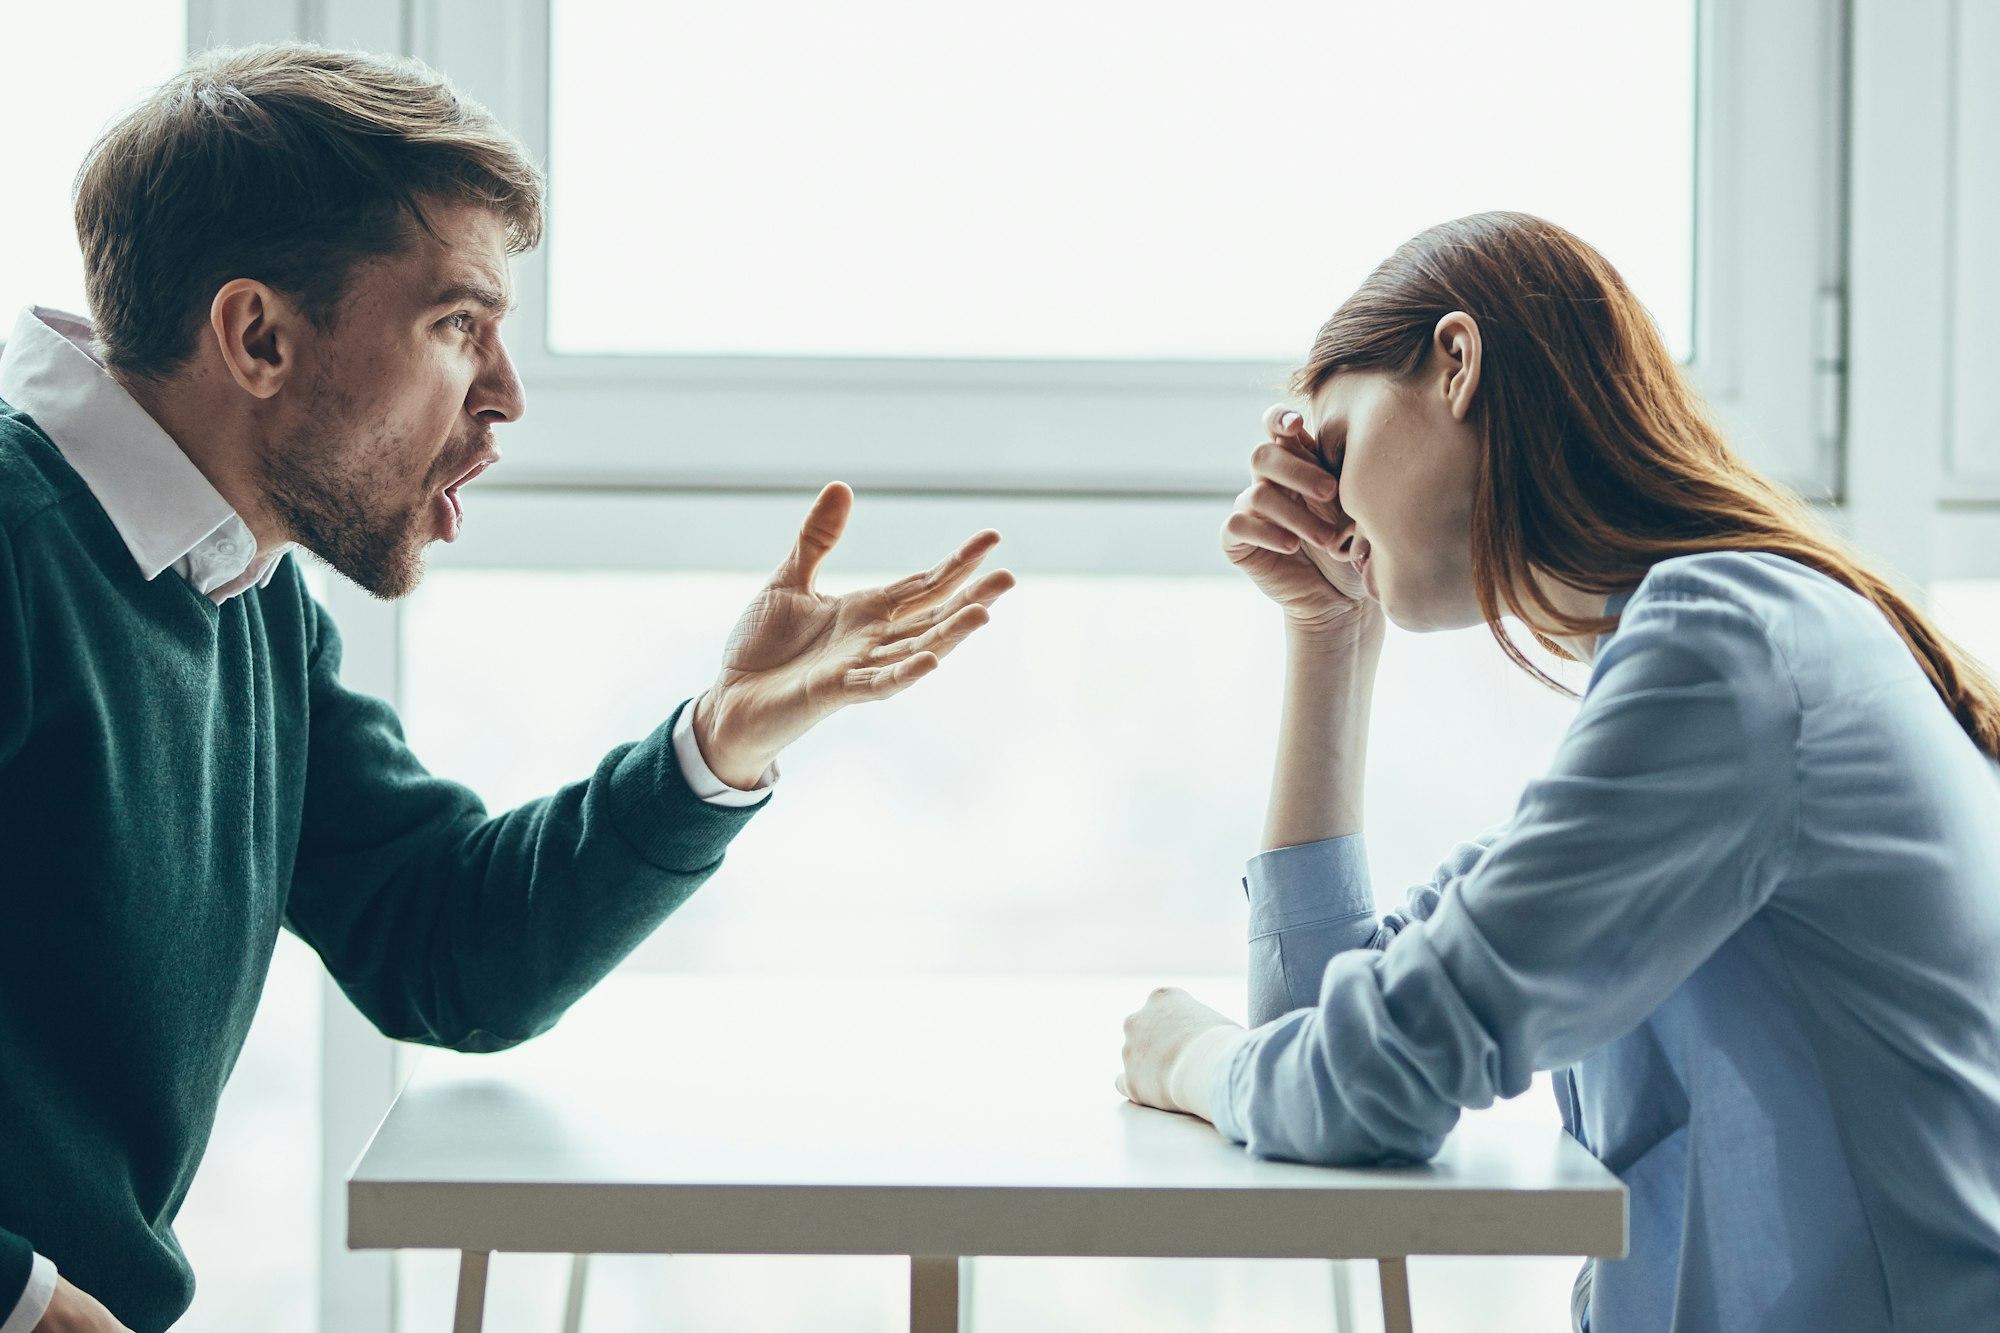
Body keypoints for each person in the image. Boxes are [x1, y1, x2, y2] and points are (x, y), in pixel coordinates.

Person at [0, 44, 1013, 1333]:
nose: (506, 396)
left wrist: (720, 739)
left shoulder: (239, 597)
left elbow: (448, 949)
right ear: (257, 334)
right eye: (455, 325)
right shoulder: (16, 547)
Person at [1116, 211, 2000, 1330]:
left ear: (1455, 363)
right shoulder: (1690, 673)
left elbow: (1367, 1083)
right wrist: (1330, 643)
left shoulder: (1719, 649)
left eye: (1334, 449)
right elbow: (1322, 1037)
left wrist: (1194, 1060)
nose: (1327, 509)